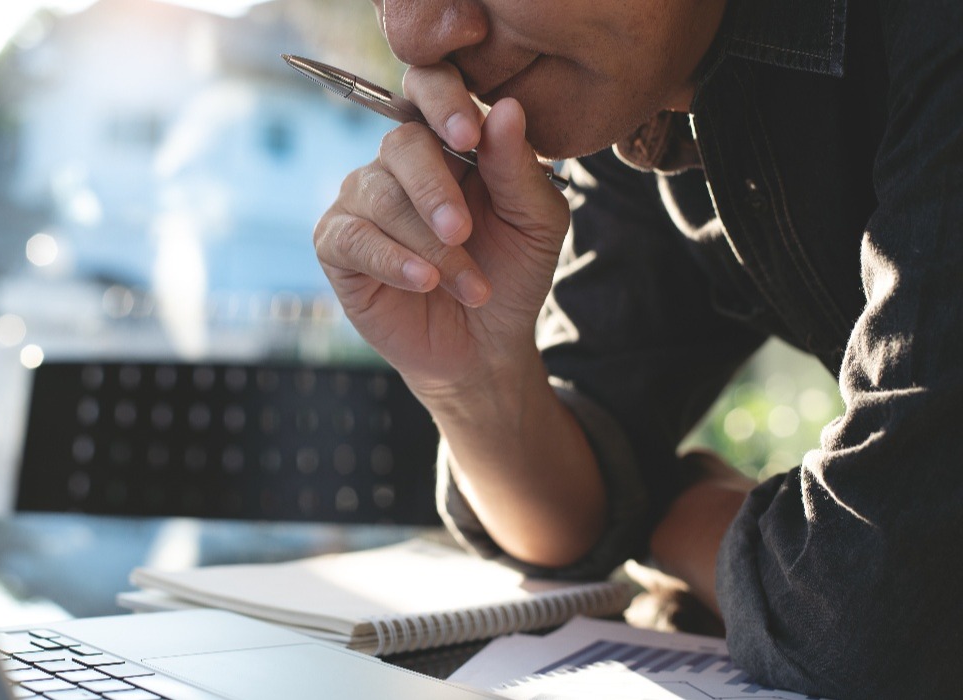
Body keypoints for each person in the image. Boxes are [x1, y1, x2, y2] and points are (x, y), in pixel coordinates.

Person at [312, 0, 962, 697]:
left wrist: (679, 510)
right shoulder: (647, 98)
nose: (412, 36)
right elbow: (568, 519)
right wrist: (473, 376)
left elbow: (875, 616)